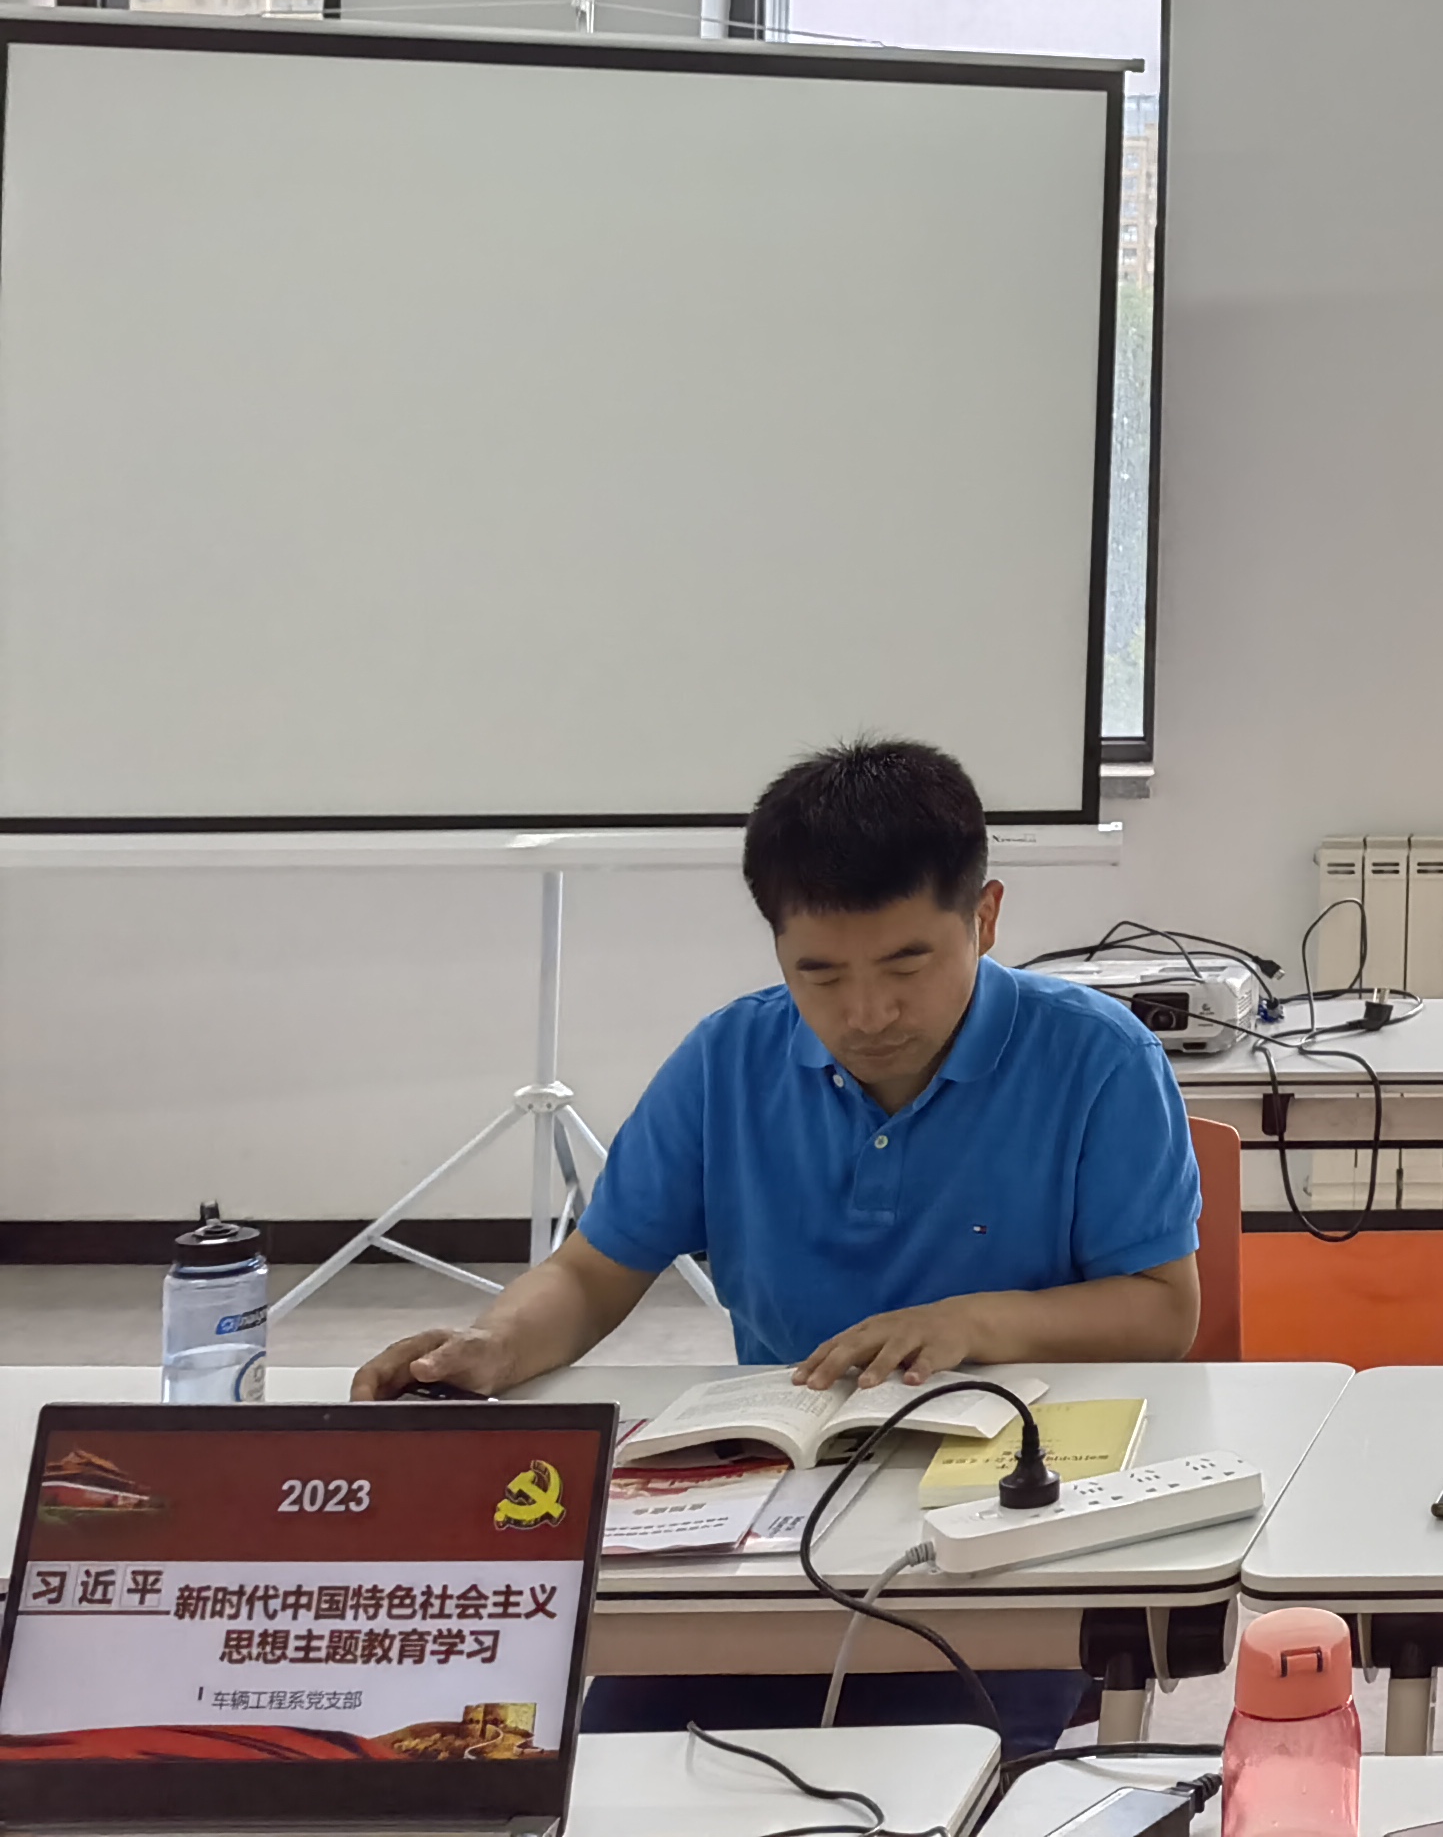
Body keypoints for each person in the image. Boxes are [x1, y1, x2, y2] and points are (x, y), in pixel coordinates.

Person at [351, 740, 1202, 1745]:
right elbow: (592, 1271)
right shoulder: (729, 1060)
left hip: (1001, 1519)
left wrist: (970, 1325)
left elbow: (1163, 1310)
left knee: (945, 1779)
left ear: (985, 917)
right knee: (616, 1775)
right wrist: (494, 1347)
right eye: (819, 973)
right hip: (773, 1508)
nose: (867, 1013)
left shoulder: (1097, 1058)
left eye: (907, 963)